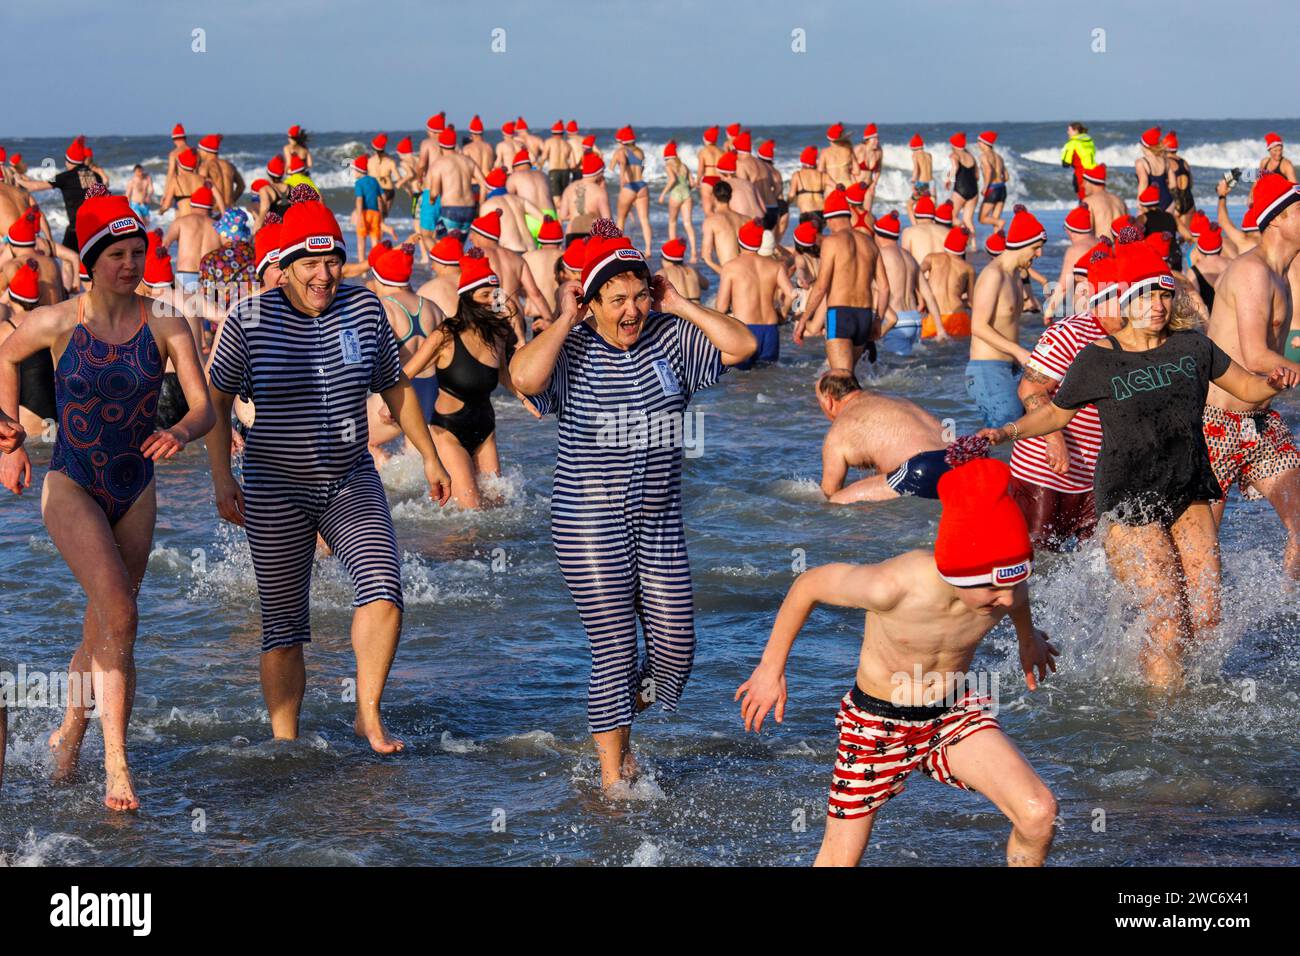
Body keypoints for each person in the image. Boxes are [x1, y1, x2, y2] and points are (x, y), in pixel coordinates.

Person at [981, 229, 1298, 687]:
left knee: (1206, 617)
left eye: (1164, 295)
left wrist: (1276, 380)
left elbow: (1247, 388)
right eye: (1145, 296)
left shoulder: (1193, 346)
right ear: (1125, 298)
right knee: (1166, 617)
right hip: (1129, 500)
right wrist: (1005, 431)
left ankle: (1170, 686)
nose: (1157, 305)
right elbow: (1052, 413)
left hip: (1190, 491)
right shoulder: (1096, 359)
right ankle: (1160, 723)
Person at [509, 219, 756, 791]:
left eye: (640, 295)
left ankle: (612, 721)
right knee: (615, 645)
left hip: (659, 522)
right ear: (590, 301)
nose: (631, 310)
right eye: (616, 299)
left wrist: (683, 304)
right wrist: (567, 317)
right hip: (587, 520)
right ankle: (612, 777)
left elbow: (743, 346)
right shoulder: (570, 347)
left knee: (675, 655)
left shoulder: (670, 338)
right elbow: (522, 375)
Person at [206, 185, 452, 753]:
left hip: (348, 477)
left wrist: (431, 456)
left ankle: (367, 714)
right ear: (282, 266)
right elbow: (217, 404)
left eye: (332, 260)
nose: (323, 274)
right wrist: (222, 478)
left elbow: (395, 386)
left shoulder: (364, 308)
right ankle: (286, 742)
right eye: (309, 262)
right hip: (274, 486)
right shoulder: (249, 321)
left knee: (386, 591)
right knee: (285, 631)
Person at [0, 186, 214, 810]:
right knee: (120, 611)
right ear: (91, 259)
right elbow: (5, 355)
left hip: (136, 488)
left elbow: (204, 407)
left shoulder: (167, 320)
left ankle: (69, 731)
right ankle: (116, 767)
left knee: (106, 621)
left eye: (137, 251)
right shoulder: (60, 320)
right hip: (70, 482)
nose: (130, 263)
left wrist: (179, 430)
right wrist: (10, 439)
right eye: (116, 253)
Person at [736, 454, 1058, 867]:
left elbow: (1018, 598)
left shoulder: (1003, 584)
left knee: (1038, 813)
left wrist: (1028, 639)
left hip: (953, 715)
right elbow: (809, 584)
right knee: (839, 858)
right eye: (996, 590)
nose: (1007, 598)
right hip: (876, 725)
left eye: (1016, 581)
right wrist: (770, 668)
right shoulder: (894, 586)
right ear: (956, 572)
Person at [1202, 174, 1300, 579]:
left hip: (1261, 423)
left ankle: (1287, 615)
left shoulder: (1282, 276)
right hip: (1216, 425)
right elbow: (1257, 356)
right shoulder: (1252, 272)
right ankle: (1192, 634)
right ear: (1276, 220)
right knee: (1202, 554)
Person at [1008, 241, 1119, 550]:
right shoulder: (1070, 332)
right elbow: (1029, 389)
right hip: (1043, 472)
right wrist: (1055, 440)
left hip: (1093, 480)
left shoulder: (1130, 339)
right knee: (1035, 560)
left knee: (1098, 567)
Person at [401, 249, 533, 507]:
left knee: (498, 509)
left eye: (494, 295)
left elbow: (504, 376)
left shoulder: (497, 333)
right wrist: (389, 405)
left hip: (486, 430)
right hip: (449, 431)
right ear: (468, 297)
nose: (491, 301)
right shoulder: (446, 334)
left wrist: (526, 399)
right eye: (484, 295)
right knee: (470, 512)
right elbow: (407, 373)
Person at [358, 241, 444, 465]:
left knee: (357, 441)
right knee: (421, 458)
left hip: (400, 392)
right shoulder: (432, 306)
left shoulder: (384, 307)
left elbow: (365, 359)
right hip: (433, 390)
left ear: (380, 279)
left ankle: (388, 480)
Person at [815, 369, 953, 502]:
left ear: (828, 401)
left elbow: (829, 491)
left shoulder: (838, 430)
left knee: (836, 500)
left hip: (924, 467)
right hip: (960, 460)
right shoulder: (891, 399)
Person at [794, 186, 890, 371]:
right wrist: (878, 320)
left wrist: (803, 321)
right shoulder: (869, 243)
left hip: (840, 314)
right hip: (864, 316)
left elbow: (821, 287)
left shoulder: (832, 242)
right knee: (850, 377)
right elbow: (885, 288)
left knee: (839, 377)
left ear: (829, 218)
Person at [967, 206, 1047, 427]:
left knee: (1026, 429)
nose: (1039, 254)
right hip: (987, 369)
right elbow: (978, 326)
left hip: (1010, 367)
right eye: (1036, 248)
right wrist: (1018, 351)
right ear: (1021, 245)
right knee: (1006, 435)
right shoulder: (994, 275)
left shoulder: (1015, 276)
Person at [716, 219, 794, 368]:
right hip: (770, 328)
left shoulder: (731, 267)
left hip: (745, 329)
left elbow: (721, 306)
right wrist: (783, 313)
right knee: (768, 379)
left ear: (739, 241)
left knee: (743, 383)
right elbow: (791, 294)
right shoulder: (775, 266)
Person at [0, 260, 56, 437]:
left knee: (30, 460)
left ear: (11, 297)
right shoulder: (52, 324)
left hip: (26, 413)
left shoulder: (7, 329)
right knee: (49, 459)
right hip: (54, 414)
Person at [874, 213, 943, 355]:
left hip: (895, 322)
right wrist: (940, 328)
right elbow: (928, 295)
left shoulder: (880, 255)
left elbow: (872, 289)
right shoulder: (909, 257)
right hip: (915, 320)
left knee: (895, 370)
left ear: (879, 235)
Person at [17, 137, 103, 250]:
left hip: (76, 229)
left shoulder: (66, 177)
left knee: (68, 259)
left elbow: (36, 186)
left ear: (69, 161)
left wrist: (18, 180)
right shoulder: (95, 176)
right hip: (97, 227)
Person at [919, 221, 975, 340]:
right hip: (959, 316)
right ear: (963, 247)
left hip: (935, 317)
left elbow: (916, 273)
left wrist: (921, 300)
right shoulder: (968, 267)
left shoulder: (932, 258)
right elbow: (971, 302)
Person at [1044, 205, 1096, 319]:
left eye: (1065, 228)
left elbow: (1063, 286)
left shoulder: (1076, 250)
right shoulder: (1102, 244)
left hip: (1087, 312)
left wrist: (1049, 311)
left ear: (1071, 231)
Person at [610, 127, 652, 254]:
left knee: (621, 219)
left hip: (629, 186)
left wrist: (621, 178)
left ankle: (618, 247)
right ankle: (648, 249)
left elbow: (614, 167)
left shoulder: (620, 151)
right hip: (642, 186)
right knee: (644, 220)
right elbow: (641, 168)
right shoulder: (640, 152)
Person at [558, 152, 611, 243]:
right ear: (599, 172)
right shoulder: (599, 191)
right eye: (603, 171)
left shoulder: (569, 188)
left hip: (572, 232)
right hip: (592, 233)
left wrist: (576, 215)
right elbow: (607, 220)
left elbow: (562, 215)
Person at [658, 141, 697, 262]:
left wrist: (663, 194)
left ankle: (672, 254)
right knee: (688, 224)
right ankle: (694, 253)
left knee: (672, 223)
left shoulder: (668, 166)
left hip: (675, 194)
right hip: (687, 194)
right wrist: (688, 189)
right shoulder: (683, 165)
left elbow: (672, 179)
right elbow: (692, 183)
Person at [1080, 164, 1127, 242]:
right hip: (1120, 250)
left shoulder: (1088, 201)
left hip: (1102, 249)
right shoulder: (1120, 201)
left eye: (1085, 182)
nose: (1083, 185)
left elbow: (1084, 234)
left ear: (1091, 182)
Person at [946, 133, 979, 235]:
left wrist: (949, 180)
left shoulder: (954, 155)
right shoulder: (971, 156)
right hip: (974, 191)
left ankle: (963, 230)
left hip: (961, 190)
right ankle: (973, 245)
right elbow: (977, 176)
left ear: (953, 144)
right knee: (968, 220)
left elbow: (955, 167)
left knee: (951, 217)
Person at [657, 237, 706, 304]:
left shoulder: (664, 272)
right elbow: (706, 285)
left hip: (679, 312)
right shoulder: (693, 271)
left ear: (665, 259)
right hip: (698, 310)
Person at [788, 146, 828, 228]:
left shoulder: (797, 175)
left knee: (807, 238)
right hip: (822, 212)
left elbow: (791, 195)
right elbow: (836, 187)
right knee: (818, 237)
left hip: (807, 213)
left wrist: (787, 203)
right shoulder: (822, 175)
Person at [977, 130, 1008, 231]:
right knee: (995, 219)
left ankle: (1000, 222)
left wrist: (985, 187)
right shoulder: (999, 157)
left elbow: (989, 170)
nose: (978, 144)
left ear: (984, 143)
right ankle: (998, 244)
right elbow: (1007, 177)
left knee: (982, 218)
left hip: (992, 189)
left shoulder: (983, 156)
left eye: (979, 142)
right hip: (1002, 188)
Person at [1060, 122, 1096, 199]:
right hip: (1094, 172)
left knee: (1083, 199)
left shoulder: (1072, 143)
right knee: (1092, 198)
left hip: (1081, 174)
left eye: (1069, 130)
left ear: (1075, 130)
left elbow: (1065, 164)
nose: (1067, 132)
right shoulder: (1089, 140)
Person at [697, 126, 724, 215]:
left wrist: (697, 181)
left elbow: (701, 169)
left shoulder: (703, 151)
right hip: (720, 180)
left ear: (705, 139)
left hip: (708, 180)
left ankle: (710, 227)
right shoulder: (722, 151)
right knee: (719, 209)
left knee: (708, 211)